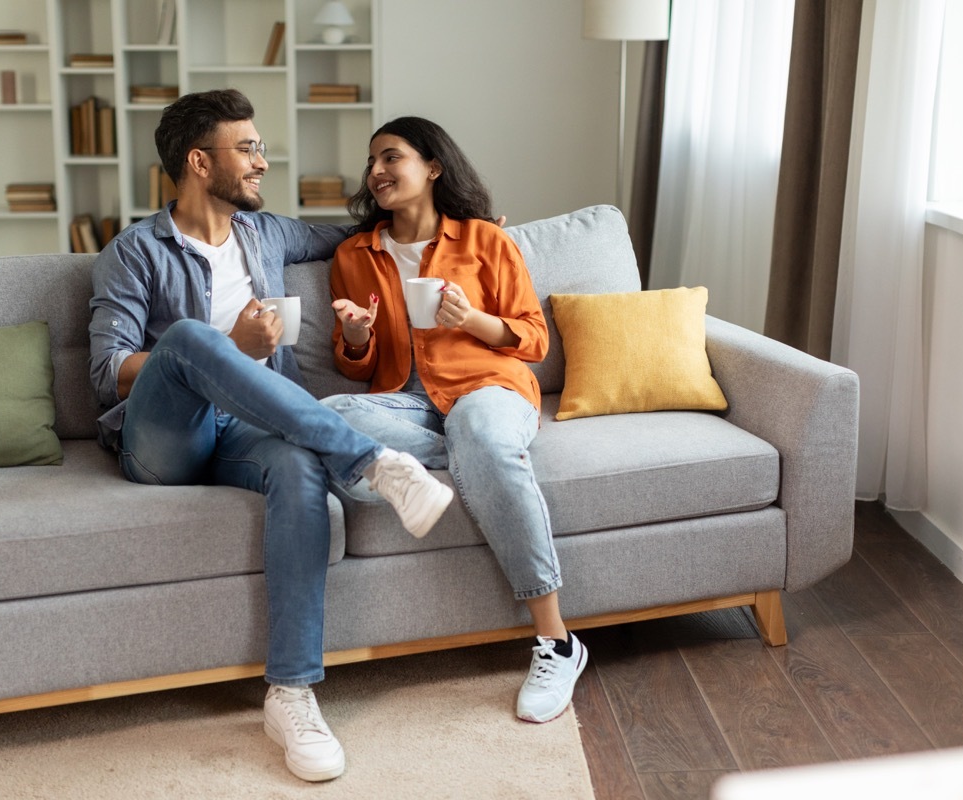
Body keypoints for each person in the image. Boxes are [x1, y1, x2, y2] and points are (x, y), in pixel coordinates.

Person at [87, 90, 455, 783]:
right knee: (194, 341)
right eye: (247, 148)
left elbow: (355, 232)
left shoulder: (267, 235)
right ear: (200, 162)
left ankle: (290, 692)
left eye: (260, 146)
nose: (263, 161)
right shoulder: (133, 252)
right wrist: (229, 343)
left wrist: (457, 218)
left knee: (296, 466)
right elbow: (108, 375)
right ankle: (374, 463)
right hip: (165, 441)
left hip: (251, 432)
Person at [322, 117, 588, 724]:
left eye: (391, 157)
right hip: (407, 400)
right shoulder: (353, 255)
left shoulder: (485, 242)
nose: (377, 172)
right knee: (323, 416)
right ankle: (471, 453)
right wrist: (356, 337)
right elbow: (356, 368)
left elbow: (533, 339)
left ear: (433, 167)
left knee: (480, 430)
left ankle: (556, 641)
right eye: (372, 163)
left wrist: (470, 320)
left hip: (487, 386)